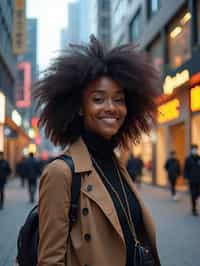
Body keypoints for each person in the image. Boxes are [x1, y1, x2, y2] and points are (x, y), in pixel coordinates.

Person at [35, 35, 161, 266]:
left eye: (119, 99)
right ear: (80, 108)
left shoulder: (115, 164)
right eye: (98, 99)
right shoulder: (60, 173)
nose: (111, 108)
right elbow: (50, 261)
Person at [184, 144, 200, 216]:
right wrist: (186, 178)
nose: (195, 151)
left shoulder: (199, 158)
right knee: (193, 194)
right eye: (194, 149)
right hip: (192, 180)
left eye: (196, 149)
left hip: (199, 179)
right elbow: (185, 169)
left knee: (197, 194)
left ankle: (196, 199)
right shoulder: (188, 159)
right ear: (191, 150)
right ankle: (194, 209)